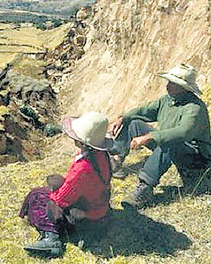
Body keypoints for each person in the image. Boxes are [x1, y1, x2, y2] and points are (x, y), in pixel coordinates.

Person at [109, 64, 211, 208]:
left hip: (197, 162)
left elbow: (182, 133)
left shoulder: (195, 108)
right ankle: (115, 159)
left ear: (184, 88)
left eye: (172, 83)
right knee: (134, 123)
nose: (168, 86)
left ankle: (145, 189)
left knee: (169, 141)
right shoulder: (167, 100)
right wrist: (123, 118)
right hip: (175, 150)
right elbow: (145, 110)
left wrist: (150, 136)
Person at [19, 111, 112, 257]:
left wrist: (52, 188)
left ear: (81, 141)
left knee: (38, 197)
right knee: (47, 191)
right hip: (101, 211)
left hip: (86, 217)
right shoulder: (101, 155)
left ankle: (51, 239)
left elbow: (61, 199)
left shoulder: (83, 168)